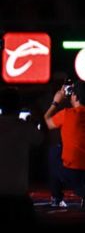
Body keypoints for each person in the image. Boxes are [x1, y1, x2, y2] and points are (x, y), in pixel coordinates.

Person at [44, 81, 85, 209]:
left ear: (75, 97)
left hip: (74, 172)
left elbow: (47, 122)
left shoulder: (67, 114)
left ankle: (57, 198)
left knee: (54, 152)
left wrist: (56, 102)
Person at [0, 87, 43, 223]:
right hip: (18, 196)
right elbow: (42, 140)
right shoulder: (25, 127)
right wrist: (39, 118)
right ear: (19, 106)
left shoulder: (25, 127)